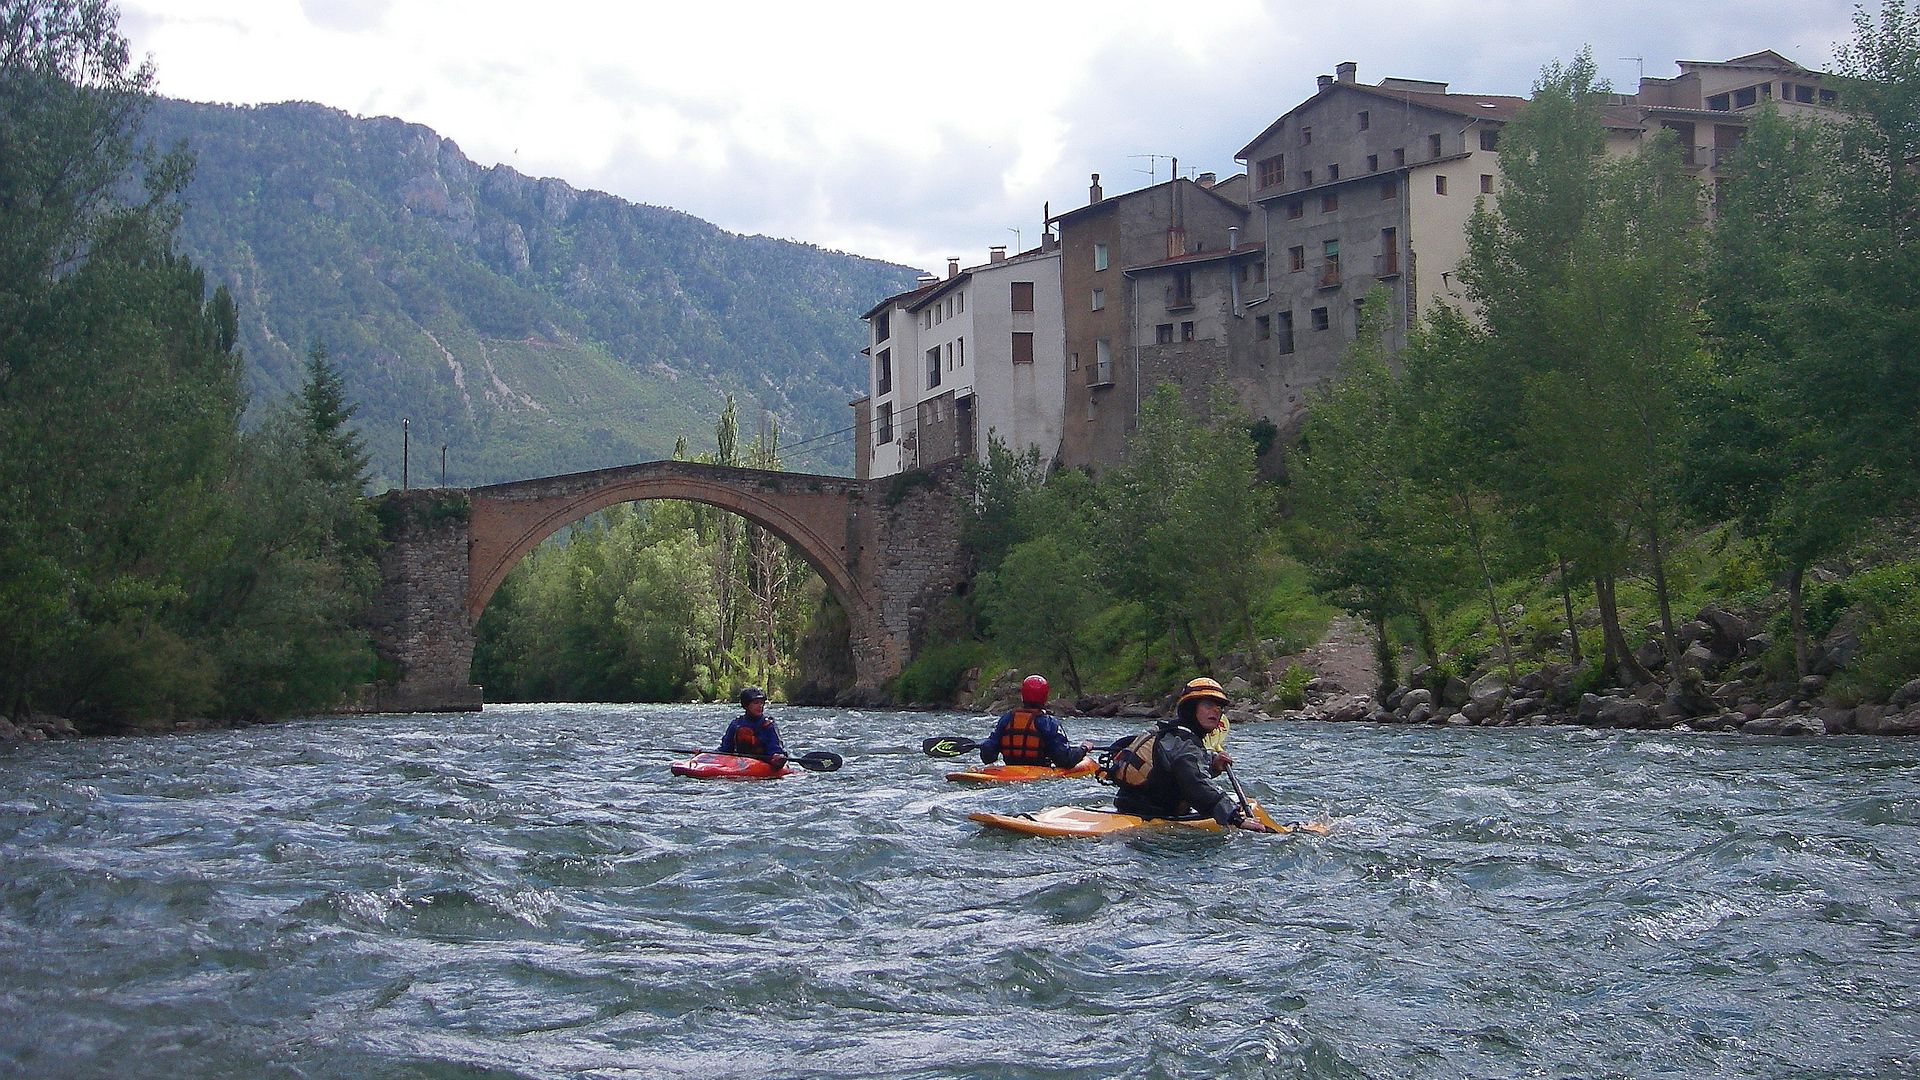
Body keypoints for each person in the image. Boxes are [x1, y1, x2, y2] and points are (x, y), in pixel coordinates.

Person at [1103, 676, 1271, 831]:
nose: (1215, 711)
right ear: (1191, 709)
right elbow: (1196, 784)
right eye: (1208, 705)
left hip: (1128, 806)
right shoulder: (1185, 743)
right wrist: (1235, 817)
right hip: (1154, 818)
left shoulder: (1168, 731)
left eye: (1219, 707)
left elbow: (1180, 766)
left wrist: (1213, 763)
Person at [980, 675, 1090, 768]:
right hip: (1039, 774)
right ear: (1045, 696)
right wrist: (1083, 749)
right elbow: (1065, 760)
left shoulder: (1006, 719)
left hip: (1010, 770)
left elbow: (987, 755)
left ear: (1023, 695)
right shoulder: (1048, 723)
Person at [718, 687, 787, 770]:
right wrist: (703, 754)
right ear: (746, 705)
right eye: (756, 703)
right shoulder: (736, 724)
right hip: (739, 764)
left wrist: (777, 756)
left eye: (762, 703)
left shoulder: (768, 725)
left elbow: (775, 747)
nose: (760, 706)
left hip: (763, 764)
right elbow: (725, 749)